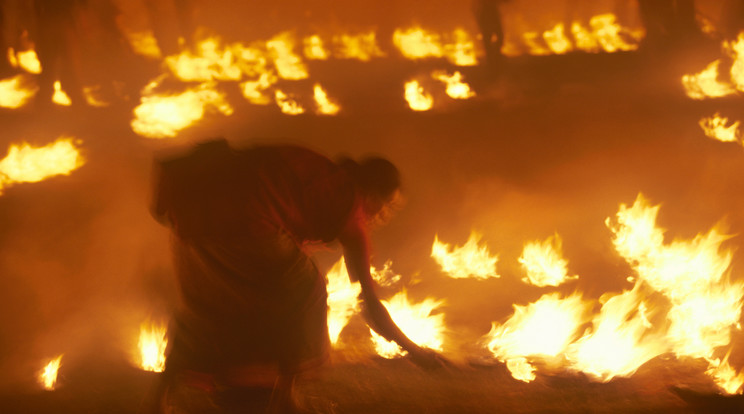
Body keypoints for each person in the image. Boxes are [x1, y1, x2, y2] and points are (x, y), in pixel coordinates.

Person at [146, 138, 445, 413]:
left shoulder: (320, 176)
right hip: (248, 220)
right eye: (388, 205)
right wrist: (415, 352)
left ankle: (160, 399)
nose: (385, 216)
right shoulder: (346, 201)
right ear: (370, 192)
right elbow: (370, 304)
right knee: (307, 291)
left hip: (189, 218)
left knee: (206, 305)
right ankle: (284, 394)